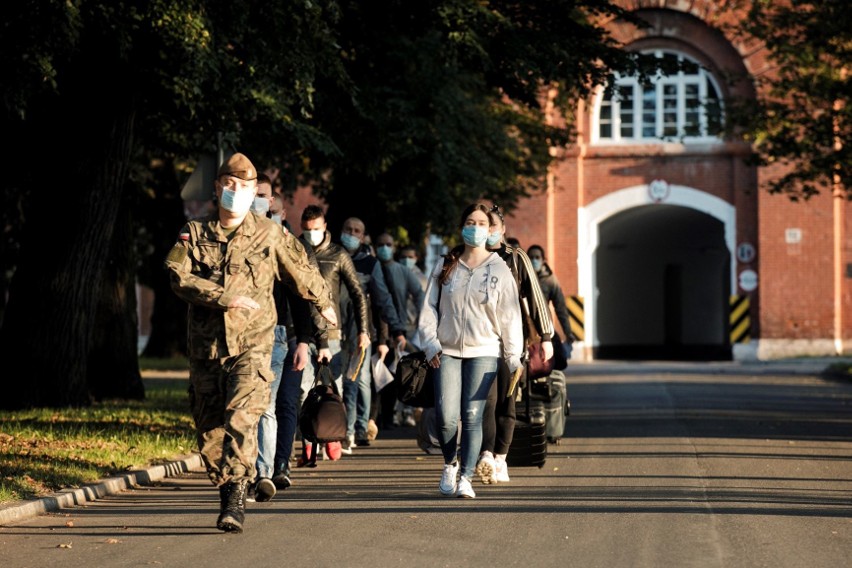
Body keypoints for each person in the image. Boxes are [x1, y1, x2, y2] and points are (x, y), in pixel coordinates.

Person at [164, 152, 337, 533]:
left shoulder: (270, 234)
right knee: (210, 428)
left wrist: (323, 303)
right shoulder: (193, 233)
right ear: (217, 188)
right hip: (207, 349)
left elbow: (301, 269)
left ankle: (236, 496)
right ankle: (226, 483)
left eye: (244, 187)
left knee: (243, 418)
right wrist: (223, 296)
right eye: (229, 185)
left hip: (254, 345)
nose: (236, 192)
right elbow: (177, 275)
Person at [418, 202, 523, 499]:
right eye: (469, 222)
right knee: (447, 416)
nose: (474, 228)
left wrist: (513, 357)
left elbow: (510, 316)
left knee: (473, 415)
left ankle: (466, 476)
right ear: (461, 226)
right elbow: (428, 308)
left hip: (485, 351)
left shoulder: (500, 269)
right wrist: (430, 344)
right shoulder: (445, 264)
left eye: (480, 224)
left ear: (490, 230)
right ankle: (450, 463)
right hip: (447, 350)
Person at [274, 204, 371, 473]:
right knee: (304, 390)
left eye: (315, 230)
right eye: (306, 230)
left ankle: (332, 434)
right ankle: (308, 445)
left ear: (325, 227)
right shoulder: (295, 251)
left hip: (332, 332)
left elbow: (357, 293)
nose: (310, 235)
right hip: (301, 329)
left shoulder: (338, 254)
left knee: (330, 388)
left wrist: (363, 330)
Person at [475, 205, 555, 486]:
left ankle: (500, 457)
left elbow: (535, 298)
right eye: (482, 226)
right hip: (480, 343)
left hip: (511, 344)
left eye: (491, 226)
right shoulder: (470, 257)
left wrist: (546, 337)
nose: (486, 231)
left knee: (507, 403)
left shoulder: (516, 258)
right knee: (487, 401)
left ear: (502, 229)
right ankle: (485, 453)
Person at [338, 217, 408, 446]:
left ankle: (360, 426)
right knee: (344, 381)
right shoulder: (333, 255)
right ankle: (344, 429)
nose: (352, 233)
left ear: (362, 236)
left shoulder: (370, 263)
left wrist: (395, 330)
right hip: (334, 327)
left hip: (360, 328)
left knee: (362, 380)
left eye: (356, 231)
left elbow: (382, 300)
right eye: (348, 229)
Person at [372, 232, 425, 429]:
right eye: (381, 244)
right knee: (377, 375)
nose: (384, 247)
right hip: (376, 330)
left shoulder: (402, 271)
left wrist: (422, 319)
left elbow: (419, 294)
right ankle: (377, 417)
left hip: (400, 329)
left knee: (395, 375)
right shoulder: (372, 267)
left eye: (388, 244)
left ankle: (390, 415)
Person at [527, 244, 575, 361]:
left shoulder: (550, 280)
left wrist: (568, 332)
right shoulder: (522, 278)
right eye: (531, 257)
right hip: (525, 327)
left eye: (537, 257)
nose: (534, 260)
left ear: (543, 260)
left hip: (544, 327)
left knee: (560, 358)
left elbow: (560, 308)